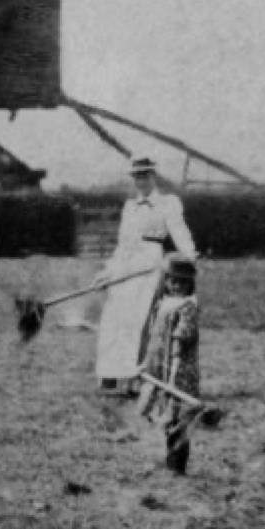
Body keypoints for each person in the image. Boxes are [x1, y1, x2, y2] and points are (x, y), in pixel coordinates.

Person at [94, 156, 197, 394]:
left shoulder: (168, 203)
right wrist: (107, 272)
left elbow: (179, 231)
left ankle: (134, 377)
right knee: (114, 316)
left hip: (151, 263)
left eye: (145, 175)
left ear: (154, 176)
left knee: (140, 320)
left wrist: (189, 256)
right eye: (137, 176)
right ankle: (110, 374)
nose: (141, 180)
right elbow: (122, 244)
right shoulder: (129, 206)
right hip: (126, 263)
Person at [138, 252, 201, 474]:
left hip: (179, 371)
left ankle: (177, 465)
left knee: (178, 419)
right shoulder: (163, 304)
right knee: (164, 416)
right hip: (160, 370)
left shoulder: (187, 307)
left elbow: (179, 342)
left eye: (183, 282)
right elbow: (155, 338)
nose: (177, 286)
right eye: (173, 280)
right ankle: (168, 458)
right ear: (165, 281)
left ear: (190, 283)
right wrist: (145, 363)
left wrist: (174, 374)